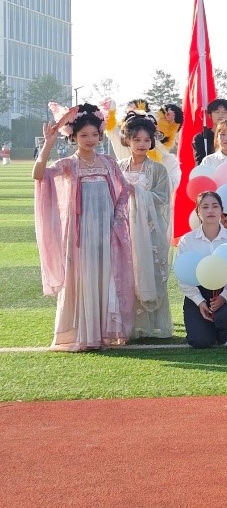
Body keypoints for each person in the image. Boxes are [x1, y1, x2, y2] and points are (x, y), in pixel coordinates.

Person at [34, 104, 136, 351]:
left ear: (100, 135)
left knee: (106, 275)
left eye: (94, 134)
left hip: (107, 231)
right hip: (80, 234)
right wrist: (48, 144)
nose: (90, 139)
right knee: (83, 278)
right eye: (83, 135)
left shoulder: (108, 162)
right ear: (73, 137)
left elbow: (125, 189)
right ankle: (85, 334)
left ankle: (104, 333)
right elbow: (39, 175)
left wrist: (117, 217)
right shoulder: (69, 164)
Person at [118, 113, 173, 339]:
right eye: (137, 139)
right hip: (122, 230)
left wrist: (137, 193)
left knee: (150, 272)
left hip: (149, 231)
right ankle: (127, 324)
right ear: (127, 140)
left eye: (146, 140)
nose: (142, 144)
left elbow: (163, 199)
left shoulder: (158, 170)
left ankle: (151, 324)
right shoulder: (118, 167)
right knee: (125, 273)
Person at [176, 191, 227, 348]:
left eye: (215, 206)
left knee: (226, 318)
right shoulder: (187, 240)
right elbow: (182, 275)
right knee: (200, 341)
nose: (210, 211)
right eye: (205, 207)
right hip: (199, 291)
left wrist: (224, 298)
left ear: (221, 210)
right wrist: (199, 302)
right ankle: (209, 330)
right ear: (198, 212)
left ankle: (222, 331)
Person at [192, 98, 227, 163]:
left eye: (225, 112)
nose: (221, 115)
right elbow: (200, 162)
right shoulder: (202, 138)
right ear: (210, 115)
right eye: (217, 112)